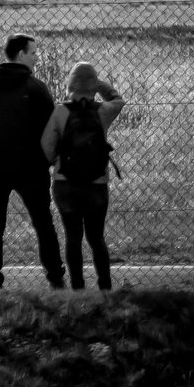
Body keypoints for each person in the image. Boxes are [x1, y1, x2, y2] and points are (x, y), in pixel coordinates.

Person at [0, 33, 66, 290]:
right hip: (31, 168)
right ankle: (55, 277)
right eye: (33, 52)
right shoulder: (35, 88)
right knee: (43, 222)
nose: (37, 57)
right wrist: (45, 159)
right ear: (21, 54)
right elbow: (51, 130)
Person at [41, 61, 125, 291]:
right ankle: (105, 287)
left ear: (70, 84)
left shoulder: (60, 111)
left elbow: (46, 146)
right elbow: (118, 100)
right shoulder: (103, 111)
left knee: (73, 237)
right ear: (92, 86)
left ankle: (78, 289)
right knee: (96, 238)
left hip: (65, 184)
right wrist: (99, 85)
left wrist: (56, 162)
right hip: (96, 185)